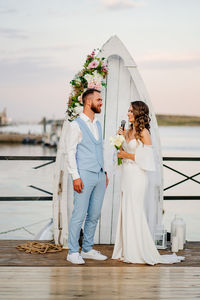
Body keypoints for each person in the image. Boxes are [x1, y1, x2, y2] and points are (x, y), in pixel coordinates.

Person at [112, 101, 184, 264]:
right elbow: (124, 151)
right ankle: (126, 249)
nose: (128, 113)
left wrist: (126, 155)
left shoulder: (144, 132)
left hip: (138, 176)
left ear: (138, 113)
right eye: (128, 110)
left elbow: (147, 158)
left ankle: (138, 250)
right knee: (126, 210)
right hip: (127, 175)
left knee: (135, 210)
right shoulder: (129, 130)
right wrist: (121, 139)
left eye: (131, 111)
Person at [66, 88, 109, 264]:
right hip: (83, 176)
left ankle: (87, 249)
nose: (101, 103)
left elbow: (101, 149)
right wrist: (75, 176)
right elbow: (70, 152)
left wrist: (105, 172)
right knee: (79, 214)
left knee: (94, 214)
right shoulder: (75, 125)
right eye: (98, 100)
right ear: (88, 102)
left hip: (99, 176)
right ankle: (72, 251)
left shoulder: (97, 124)